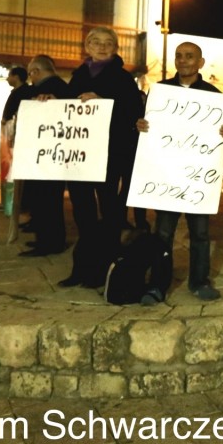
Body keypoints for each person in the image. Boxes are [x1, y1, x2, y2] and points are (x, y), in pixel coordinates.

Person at [137, 42, 223, 304]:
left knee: (200, 234)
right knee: (163, 234)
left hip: (196, 180)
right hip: (166, 176)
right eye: (179, 56)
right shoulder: (160, 92)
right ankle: (157, 284)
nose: (183, 61)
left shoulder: (214, 95)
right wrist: (142, 125)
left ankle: (199, 281)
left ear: (200, 62)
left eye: (190, 57)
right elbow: (148, 127)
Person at [59, 27, 143, 289]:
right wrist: (48, 100)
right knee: (83, 215)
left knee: (110, 216)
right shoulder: (78, 75)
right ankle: (81, 269)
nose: (102, 46)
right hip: (80, 159)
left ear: (116, 48)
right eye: (96, 42)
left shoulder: (123, 78)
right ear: (88, 46)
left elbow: (134, 113)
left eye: (109, 43)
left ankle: (104, 270)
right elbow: (65, 109)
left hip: (110, 157)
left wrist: (104, 100)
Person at [17, 55, 70, 257]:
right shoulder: (59, 86)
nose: (30, 79)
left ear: (36, 71)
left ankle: (50, 242)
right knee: (46, 200)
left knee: (47, 201)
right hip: (47, 155)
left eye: (31, 74)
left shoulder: (52, 89)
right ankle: (46, 239)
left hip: (49, 156)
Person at [1, 65, 34, 220]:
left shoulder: (25, 92)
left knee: (22, 176)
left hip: (20, 139)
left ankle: (24, 208)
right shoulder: (18, 92)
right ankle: (14, 205)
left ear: (16, 77)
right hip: (12, 137)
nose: (7, 78)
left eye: (9, 75)